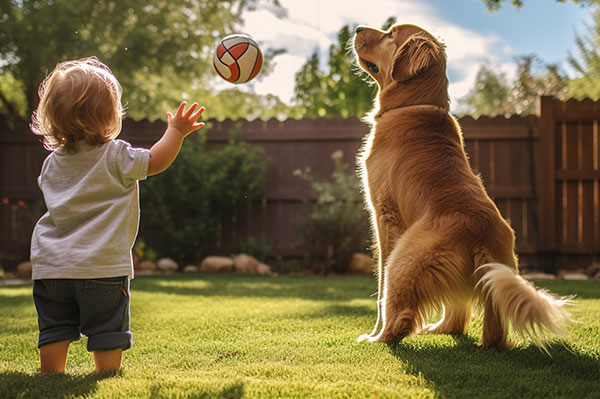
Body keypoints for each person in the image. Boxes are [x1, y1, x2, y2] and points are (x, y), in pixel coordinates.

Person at [29, 56, 205, 373]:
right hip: (101, 266)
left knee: (55, 326)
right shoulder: (115, 155)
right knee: (107, 328)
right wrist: (176, 132)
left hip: (52, 266)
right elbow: (155, 161)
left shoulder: (52, 162)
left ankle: (51, 374)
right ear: (109, 114)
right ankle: (107, 374)